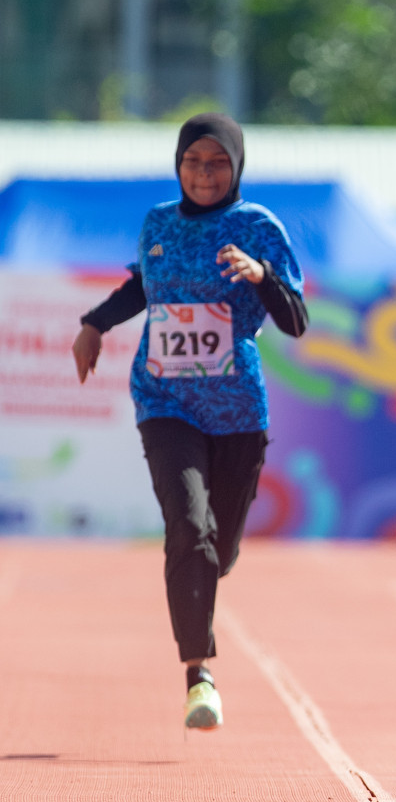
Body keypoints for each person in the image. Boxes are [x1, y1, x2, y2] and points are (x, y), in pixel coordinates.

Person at [72, 113, 307, 731]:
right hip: (165, 401)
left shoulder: (258, 226)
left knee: (216, 549)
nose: (204, 174)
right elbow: (139, 288)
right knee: (188, 526)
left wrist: (261, 275)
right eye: (192, 162)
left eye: (217, 163)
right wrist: (94, 323)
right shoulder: (158, 223)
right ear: (178, 166)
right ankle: (199, 674)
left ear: (236, 167)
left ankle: (203, 573)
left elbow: (297, 319)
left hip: (235, 412)